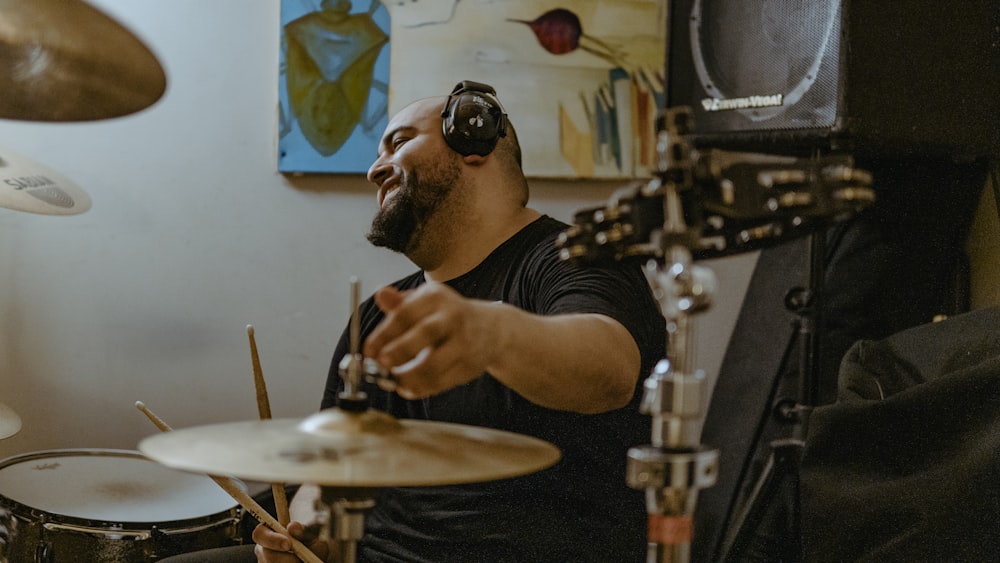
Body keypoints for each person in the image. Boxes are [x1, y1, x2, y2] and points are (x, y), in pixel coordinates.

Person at [165, 81, 665, 562]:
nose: (374, 170)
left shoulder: (572, 257)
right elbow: (326, 471)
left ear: (474, 140)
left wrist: (490, 332)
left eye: (398, 143)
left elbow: (610, 370)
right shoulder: (380, 313)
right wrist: (313, 538)